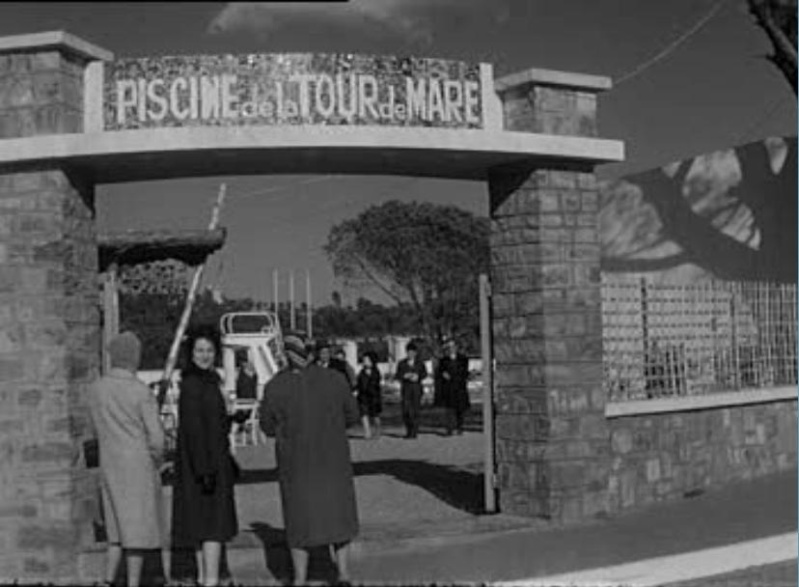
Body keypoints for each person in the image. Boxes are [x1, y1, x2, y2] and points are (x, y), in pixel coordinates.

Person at [259, 332, 360, 585]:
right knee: (339, 517)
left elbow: (267, 427)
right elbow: (352, 415)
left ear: (285, 353)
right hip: (333, 459)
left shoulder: (275, 386)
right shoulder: (336, 380)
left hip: (296, 464)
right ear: (313, 351)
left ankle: (300, 577)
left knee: (299, 522)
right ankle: (344, 573)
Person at [88, 331, 168, 587]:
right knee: (136, 532)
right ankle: (133, 582)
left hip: (109, 463)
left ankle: (108, 578)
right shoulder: (140, 391)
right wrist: (158, 458)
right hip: (138, 466)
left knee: (115, 531)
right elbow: (156, 438)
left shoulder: (96, 389)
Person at [171, 328, 238, 587]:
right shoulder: (192, 383)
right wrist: (204, 469)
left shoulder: (209, 380)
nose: (205, 355)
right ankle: (210, 580)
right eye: (200, 350)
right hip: (204, 464)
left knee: (202, 524)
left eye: (209, 350)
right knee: (212, 526)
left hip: (210, 460)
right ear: (191, 352)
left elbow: (209, 421)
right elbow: (194, 428)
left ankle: (204, 577)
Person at [436, 337, 471, 435]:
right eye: (449, 347)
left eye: (453, 346)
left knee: (460, 409)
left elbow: (464, 372)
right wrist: (443, 374)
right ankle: (450, 429)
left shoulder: (463, 359)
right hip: (448, 388)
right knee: (449, 410)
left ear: (456, 347)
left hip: (460, 387)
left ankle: (460, 427)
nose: (451, 348)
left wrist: (457, 376)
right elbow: (439, 373)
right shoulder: (443, 360)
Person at [395, 342, 427, 439]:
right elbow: (397, 375)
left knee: (416, 411)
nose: (410, 354)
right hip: (406, 389)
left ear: (415, 353)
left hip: (416, 389)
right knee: (406, 410)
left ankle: (414, 431)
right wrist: (404, 376)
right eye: (408, 352)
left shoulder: (420, 363)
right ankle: (409, 429)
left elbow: (424, 374)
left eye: (412, 352)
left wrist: (418, 376)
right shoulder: (402, 363)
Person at [355, 351, 382, 439]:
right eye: (364, 360)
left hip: (374, 397)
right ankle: (367, 432)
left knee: (375, 416)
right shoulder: (361, 372)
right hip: (363, 396)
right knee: (364, 414)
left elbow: (376, 384)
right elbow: (358, 384)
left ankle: (377, 430)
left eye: (367, 360)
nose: (365, 362)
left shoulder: (376, 372)